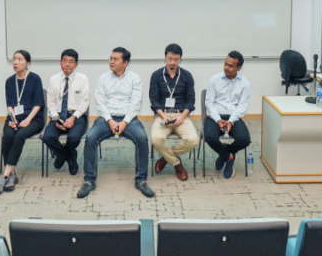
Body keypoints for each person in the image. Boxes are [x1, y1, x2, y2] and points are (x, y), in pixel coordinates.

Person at [77, 47, 154, 198]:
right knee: (91, 138)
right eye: (110, 58)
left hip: (129, 119)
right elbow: (100, 102)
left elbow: (135, 103)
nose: (111, 61)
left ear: (125, 62)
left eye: (115, 59)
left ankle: (141, 180)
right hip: (107, 118)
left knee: (142, 138)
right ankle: (89, 180)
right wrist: (110, 120)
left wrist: (124, 122)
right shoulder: (103, 78)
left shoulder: (135, 78)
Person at [0, 49, 45, 195]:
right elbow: (9, 105)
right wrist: (12, 118)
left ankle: (4, 176)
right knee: (8, 136)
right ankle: (12, 175)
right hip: (15, 118)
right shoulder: (10, 81)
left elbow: (38, 104)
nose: (16, 62)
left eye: (20, 59)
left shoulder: (35, 79)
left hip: (34, 118)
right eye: (14, 59)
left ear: (27, 63)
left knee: (19, 136)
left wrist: (28, 120)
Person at [149, 43, 198, 181]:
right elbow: (154, 101)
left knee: (193, 140)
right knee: (156, 139)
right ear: (165, 57)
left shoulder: (187, 76)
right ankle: (177, 164)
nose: (172, 62)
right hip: (162, 115)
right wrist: (164, 117)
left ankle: (165, 159)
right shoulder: (156, 76)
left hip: (181, 115)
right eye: (170, 59)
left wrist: (182, 117)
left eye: (176, 59)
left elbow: (191, 100)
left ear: (180, 59)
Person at [204, 50, 252, 179]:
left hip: (234, 117)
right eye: (225, 64)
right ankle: (229, 157)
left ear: (239, 68)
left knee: (244, 139)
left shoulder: (245, 84)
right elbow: (209, 102)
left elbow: (242, 106)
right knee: (209, 137)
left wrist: (230, 121)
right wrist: (218, 119)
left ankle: (224, 155)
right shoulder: (214, 79)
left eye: (231, 66)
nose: (226, 67)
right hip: (215, 116)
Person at [42, 49, 90, 175]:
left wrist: (73, 118)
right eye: (64, 61)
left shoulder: (82, 79)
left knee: (74, 138)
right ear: (60, 62)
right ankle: (68, 156)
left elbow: (85, 102)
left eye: (71, 62)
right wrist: (55, 118)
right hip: (58, 115)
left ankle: (62, 155)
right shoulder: (53, 79)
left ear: (76, 64)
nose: (67, 64)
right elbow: (51, 102)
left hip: (77, 115)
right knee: (47, 137)